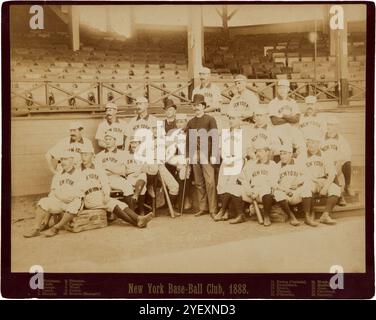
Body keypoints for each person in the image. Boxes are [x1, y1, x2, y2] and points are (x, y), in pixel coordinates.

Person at [80, 144, 153, 228]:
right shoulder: (78, 169)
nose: (83, 157)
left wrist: (107, 194)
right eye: (81, 155)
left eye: (86, 155)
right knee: (113, 204)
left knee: (120, 204)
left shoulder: (98, 168)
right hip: (88, 196)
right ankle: (137, 221)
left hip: (100, 194)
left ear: (92, 156)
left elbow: (105, 183)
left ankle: (138, 220)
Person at [23, 151, 84, 238]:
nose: (62, 162)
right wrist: (48, 213)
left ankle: (56, 228)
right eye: (61, 160)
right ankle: (36, 228)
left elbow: (80, 192)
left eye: (65, 159)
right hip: (59, 201)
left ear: (72, 161)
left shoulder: (79, 174)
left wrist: (70, 197)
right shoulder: (58, 175)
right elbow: (52, 192)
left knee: (75, 203)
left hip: (72, 201)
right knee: (43, 201)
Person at [186, 94, 219, 217]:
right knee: (199, 183)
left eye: (199, 105)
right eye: (194, 105)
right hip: (195, 155)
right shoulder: (191, 122)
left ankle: (213, 209)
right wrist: (188, 155)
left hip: (207, 153)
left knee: (210, 182)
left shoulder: (210, 119)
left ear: (203, 106)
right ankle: (203, 207)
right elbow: (188, 140)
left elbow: (215, 138)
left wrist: (214, 154)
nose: (196, 108)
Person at [299, 130, 341, 225]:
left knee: (335, 189)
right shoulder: (302, 156)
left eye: (314, 142)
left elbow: (332, 174)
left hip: (322, 180)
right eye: (309, 142)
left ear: (319, 144)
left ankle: (325, 215)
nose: (311, 145)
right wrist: (315, 181)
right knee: (305, 189)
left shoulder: (325, 155)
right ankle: (307, 217)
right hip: (309, 180)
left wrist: (325, 186)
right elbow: (301, 173)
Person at [214, 110, 248, 224]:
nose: (231, 120)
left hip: (238, 160)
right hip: (226, 159)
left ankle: (222, 210)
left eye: (233, 118)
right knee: (221, 184)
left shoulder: (244, 132)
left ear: (239, 120)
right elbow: (220, 148)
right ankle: (227, 211)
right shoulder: (225, 133)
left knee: (231, 184)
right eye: (230, 118)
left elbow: (244, 151)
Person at [273, 143, 313, 226]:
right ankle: (291, 216)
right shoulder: (277, 166)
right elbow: (274, 183)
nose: (282, 156)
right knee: (277, 193)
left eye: (285, 153)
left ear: (291, 154)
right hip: (285, 194)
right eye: (281, 154)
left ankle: (307, 217)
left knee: (307, 189)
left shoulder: (299, 163)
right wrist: (284, 189)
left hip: (297, 192)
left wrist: (299, 183)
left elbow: (308, 176)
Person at [241, 141, 279, 226]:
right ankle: (240, 215)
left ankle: (266, 216)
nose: (258, 153)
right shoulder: (251, 164)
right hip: (252, 192)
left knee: (266, 191)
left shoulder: (272, 164)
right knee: (235, 190)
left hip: (265, 191)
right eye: (256, 151)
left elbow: (273, 181)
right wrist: (249, 189)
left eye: (260, 151)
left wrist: (258, 191)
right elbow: (243, 178)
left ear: (267, 152)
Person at [321, 116, 354, 206]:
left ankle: (347, 186)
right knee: (331, 170)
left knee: (347, 162)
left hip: (337, 164)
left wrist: (337, 166)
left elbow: (345, 156)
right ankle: (340, 196)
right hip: (323, 165)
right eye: (328, 124)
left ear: (337, 127)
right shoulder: (321, 138)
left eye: (332, 125)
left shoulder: (342, 140)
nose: (329, 127)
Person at [94, 131, 134, 207]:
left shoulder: (122, 154)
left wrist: (108, 168)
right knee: (102, 191)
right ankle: (110, 214)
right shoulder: (99, 155)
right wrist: (113, 168)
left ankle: (132, 213)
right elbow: (97, 170)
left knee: (128, 187)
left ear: (115, 141)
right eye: (106, 139)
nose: (108, 141)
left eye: (110, 139)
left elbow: (123, 171)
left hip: (116, 178)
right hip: (102, 179)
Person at [268, 79, 305, 157]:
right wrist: (290, 118)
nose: (282, 90)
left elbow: (296, 119)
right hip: (277, 129)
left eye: (284, 88)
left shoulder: (292, 102)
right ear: (277, 89)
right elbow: (274, 121)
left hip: (291, 128)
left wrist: (284, 116)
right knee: (283, 146)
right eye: (280, 88)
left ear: (288, 89)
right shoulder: (273, 102)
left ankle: (299, 162)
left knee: (301, 144)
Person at [165, 113, 192, 211]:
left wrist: (182, 162)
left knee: (183, 173)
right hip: (174, 160)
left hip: (187, 160)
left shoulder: (190, 133)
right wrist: (176, 163)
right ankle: (174, 202)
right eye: (177, 122)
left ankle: (182, 201)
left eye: (182, 122)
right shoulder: (173, 133)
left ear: (186, 122)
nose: (179, 124)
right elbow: (169, 151)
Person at [123, 135, 148, 215]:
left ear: (139, 144)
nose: (133, 145)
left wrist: (139, 170)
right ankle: (138, 209)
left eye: (136, 143)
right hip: (130, 175)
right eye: (132, 143)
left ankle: (140, 208)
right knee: (137, 187)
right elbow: (122, 167)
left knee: (142, 181)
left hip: (141, 174)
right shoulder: (125, 154)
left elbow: (146, 167)